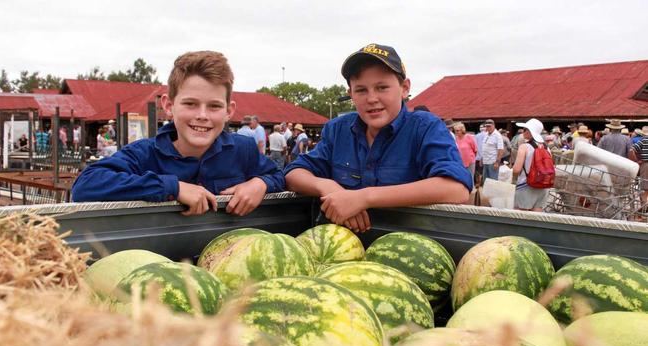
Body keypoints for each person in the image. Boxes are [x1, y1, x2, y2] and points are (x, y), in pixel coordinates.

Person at [284, 43, 471, 233]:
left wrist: (363, 198)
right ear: (351, 94)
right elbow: (293, 173)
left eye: (382, 87)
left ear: (404, 88)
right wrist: (328, 186)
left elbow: (456, 188)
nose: (371, 98)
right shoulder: (338, 130)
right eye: (361, 90)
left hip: (407, 244)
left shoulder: (425, 128)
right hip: (345, 245)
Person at [72, 51, 285, 216]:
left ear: (229, 111)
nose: (202, 115)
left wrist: (260, 184)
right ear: (168, 105)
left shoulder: (243, 150)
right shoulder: (144, 154)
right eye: (190, 104)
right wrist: (173, 187)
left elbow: (278, 175)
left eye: (214, 106)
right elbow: (85, 185)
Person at [512, 118, 550, 212]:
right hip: (543, 185)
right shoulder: (547, 148)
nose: (523, 131)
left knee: (520, 215)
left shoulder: (524, 147)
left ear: (531, 131)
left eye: (525, 129)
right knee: (536, 216)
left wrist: (514, 179)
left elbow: (516, 169)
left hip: (525, 185)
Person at [629, 126, 648, 209]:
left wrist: (636, 160)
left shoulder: (643, 140)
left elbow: (631, 150)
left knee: (644, 186)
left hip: (645, 165)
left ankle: (644, 208)